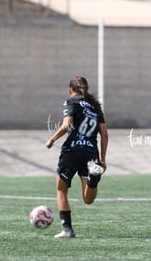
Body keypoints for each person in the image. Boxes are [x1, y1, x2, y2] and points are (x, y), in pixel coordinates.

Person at [45, 76, 108, 238]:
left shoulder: (71, 101)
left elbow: (67, 125)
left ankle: (67, 229)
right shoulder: (95, 107)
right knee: (88, 199)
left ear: (70, 90)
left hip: (72, 150)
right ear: (85, 89)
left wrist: (52, 139)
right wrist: (103, 158)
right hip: (90, 152)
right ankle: (93, 180)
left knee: (61, 189)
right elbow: (104, 134)